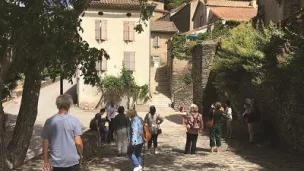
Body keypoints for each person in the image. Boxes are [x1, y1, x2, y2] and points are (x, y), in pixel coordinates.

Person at [41, 94, 83, 171]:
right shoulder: (74, 121)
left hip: (57, 163)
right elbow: (78, 143)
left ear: (57, 105)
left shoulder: (49, 121)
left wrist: (46, 160)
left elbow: (45, 143)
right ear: (69, 105)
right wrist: (81, 154)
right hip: (72, 162)